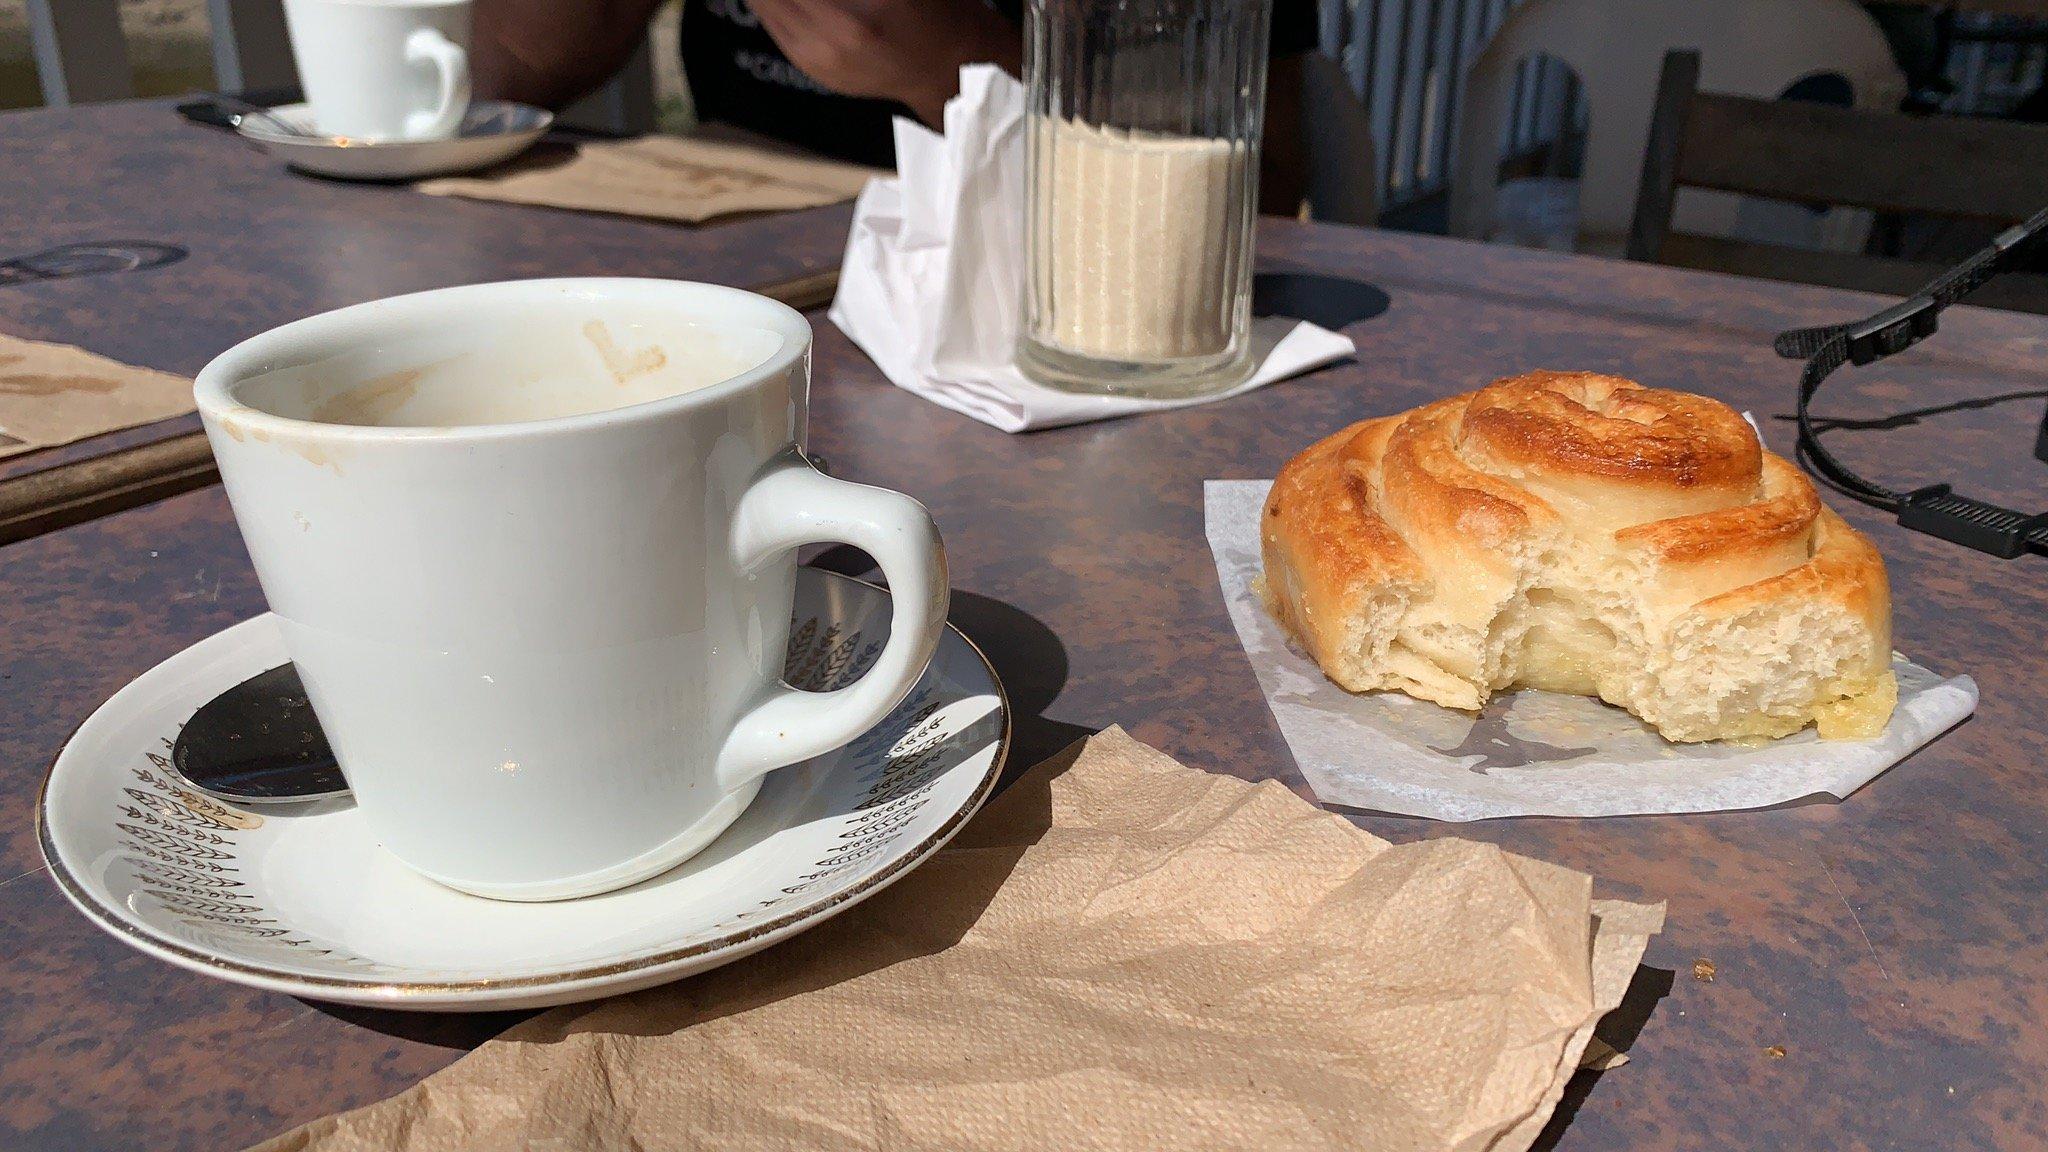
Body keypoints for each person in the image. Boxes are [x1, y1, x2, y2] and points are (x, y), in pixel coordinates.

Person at [472, 0, 1314, 211]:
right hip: (727, 268)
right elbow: (497, 78)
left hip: (1045, 322)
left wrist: (957, 64)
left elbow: (1264, 191)